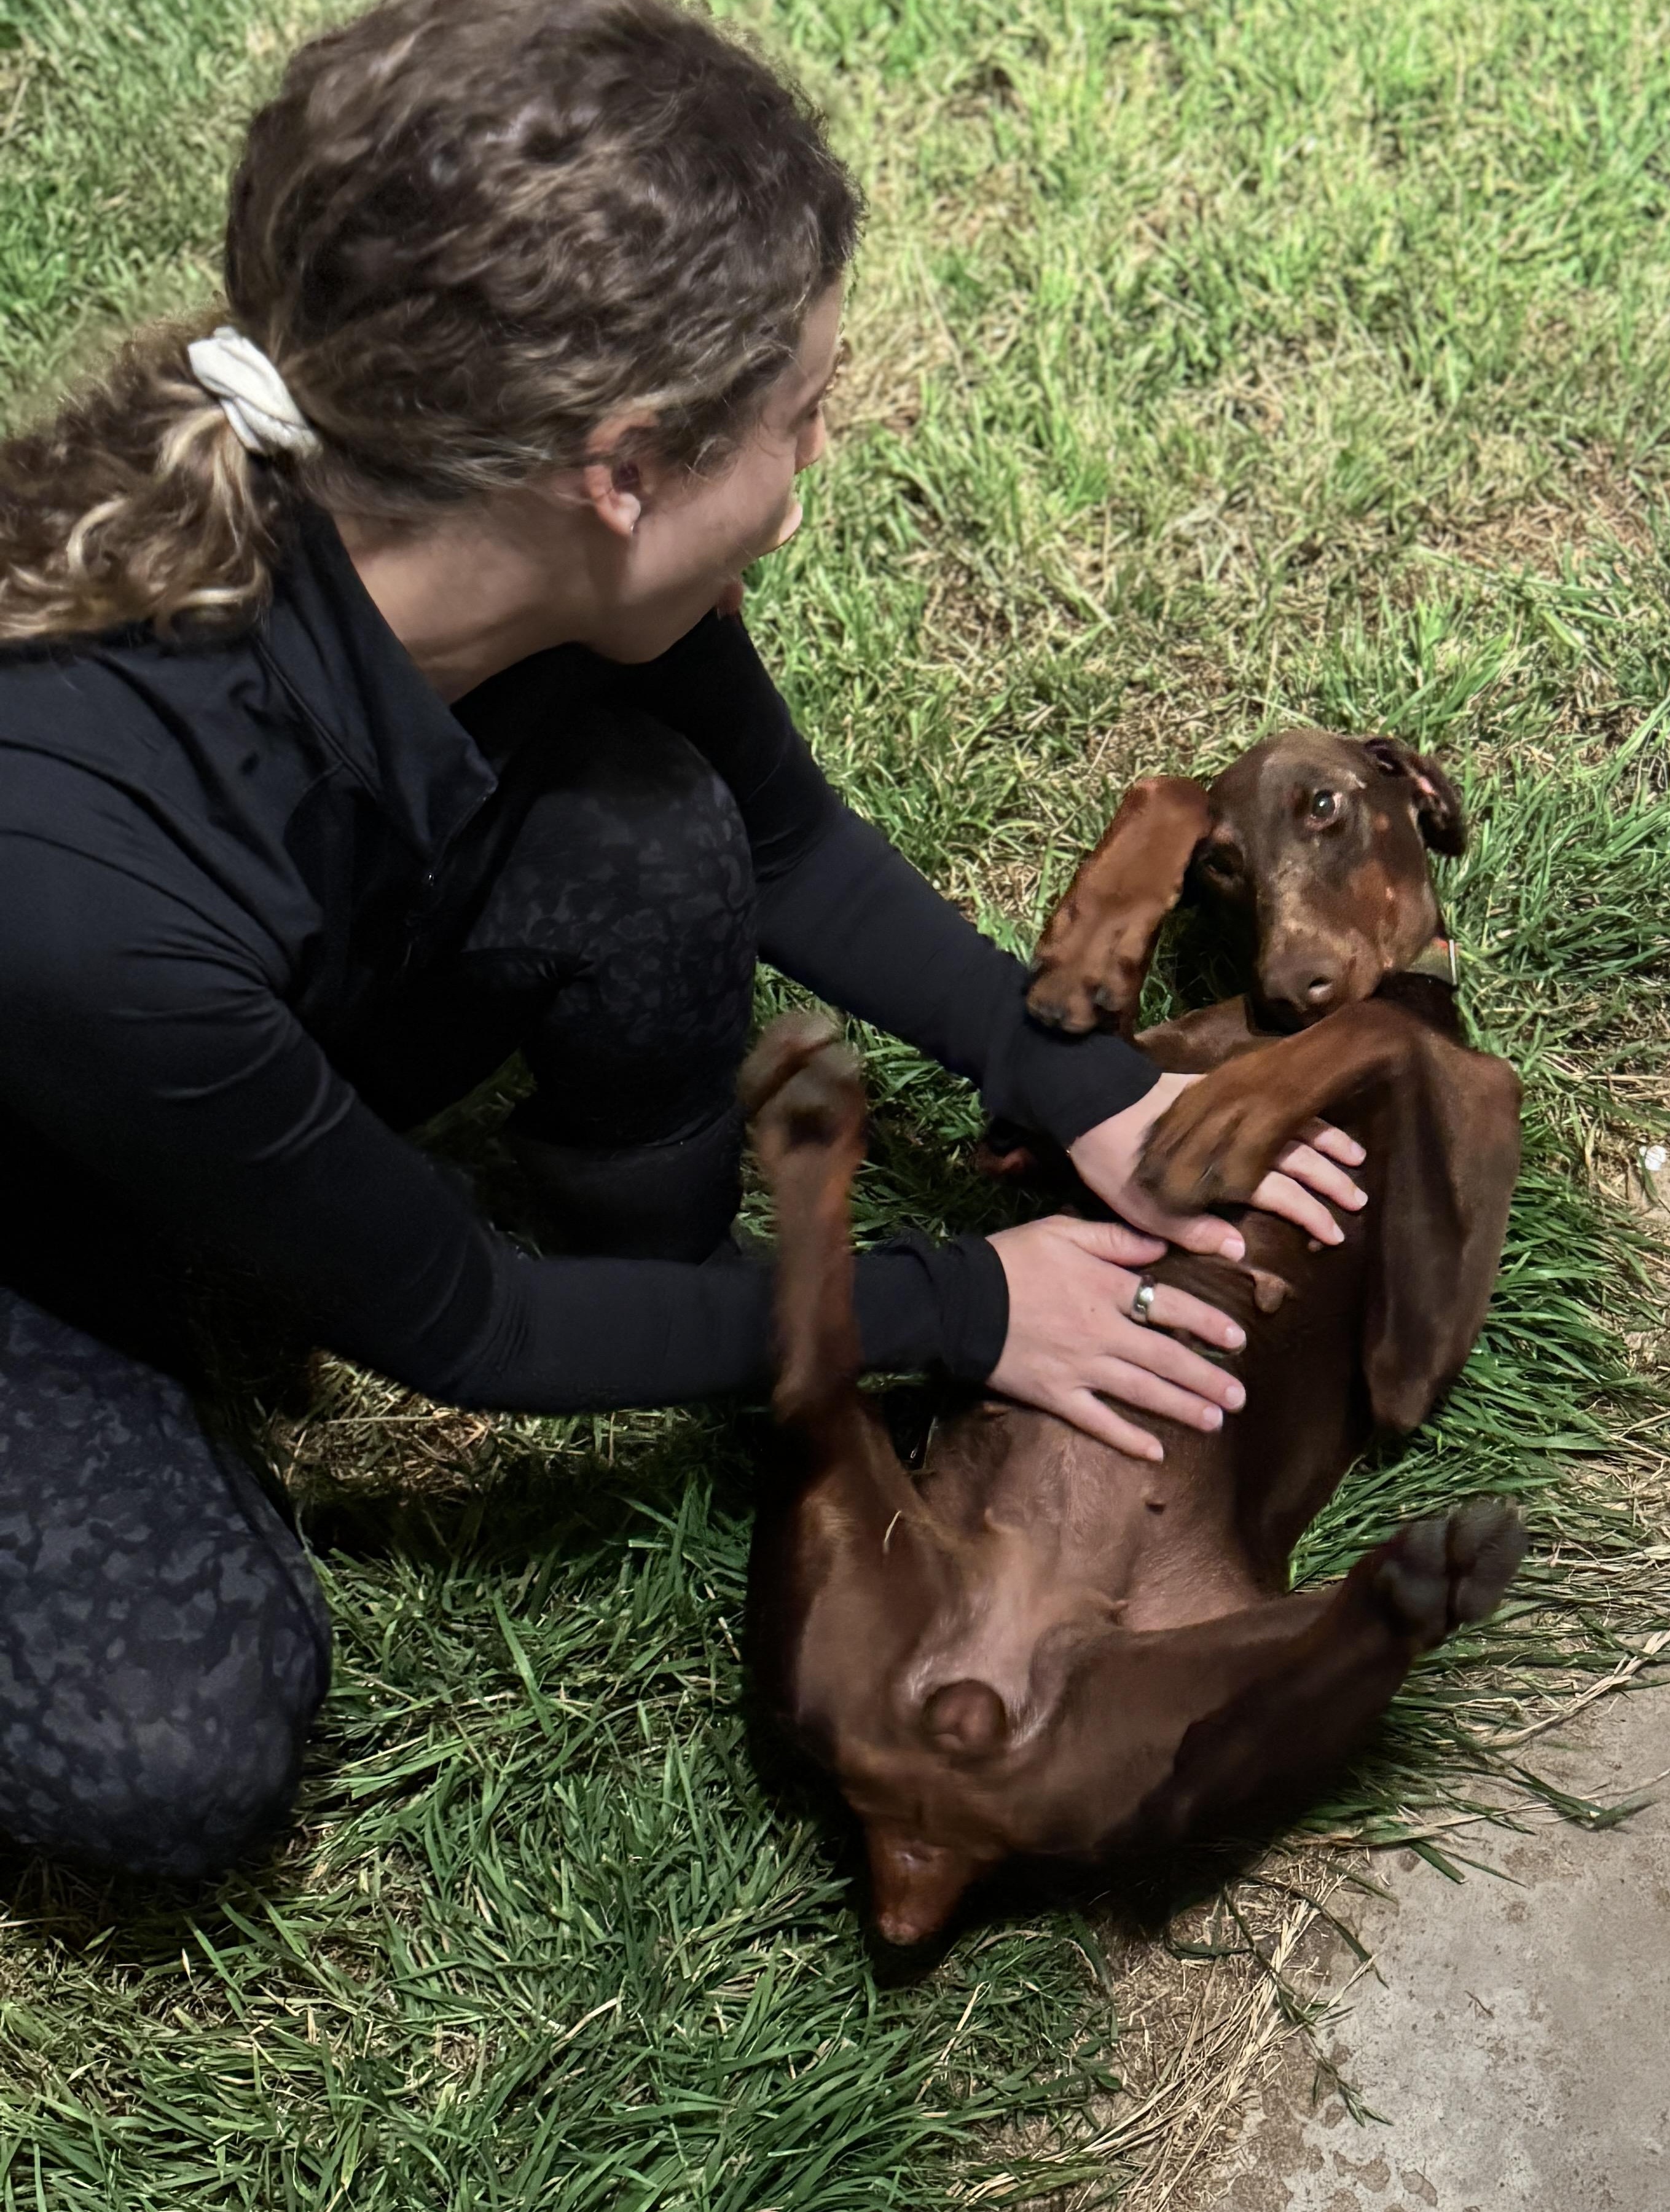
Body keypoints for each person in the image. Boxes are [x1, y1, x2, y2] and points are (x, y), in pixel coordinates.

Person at [0, 0, 1365, 1885]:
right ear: (623, 466)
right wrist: (959, 1304)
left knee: (657, 826)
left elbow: (791, 847)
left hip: (223, 1033)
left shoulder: (489, 520)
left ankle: (642, 1267)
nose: (812, 470)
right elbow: (460, 1319)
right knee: (173, 1750)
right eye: (801, 416)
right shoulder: (77, 869)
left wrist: (1101, 1095)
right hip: (39, 1182)